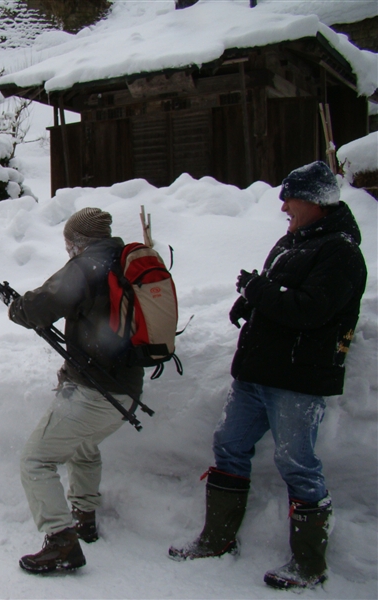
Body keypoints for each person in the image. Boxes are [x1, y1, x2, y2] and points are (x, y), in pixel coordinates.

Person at [169, 161, 368, 590]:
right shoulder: (291, 242)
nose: (283, 206)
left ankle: (309, 565)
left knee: (297, 463)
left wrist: (258, 291)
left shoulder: (342, 252)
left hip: (299, 380)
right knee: (230, 445)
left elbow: (311, 309)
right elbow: (281, 295)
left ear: (316, 201)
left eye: (289, 197)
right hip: (256, 373)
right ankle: (217, 538)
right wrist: (250, 303)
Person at [7, 207, 146, 574]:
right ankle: (84, 517)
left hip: (93, 390)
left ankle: (61, 542)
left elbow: (38, 307)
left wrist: (17, 307)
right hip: (126, 391)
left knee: (35, 459)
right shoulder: (124, 261)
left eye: (68, 242)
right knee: (82, 445)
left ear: (77, 241)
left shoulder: (88, 266)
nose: (67, 248)